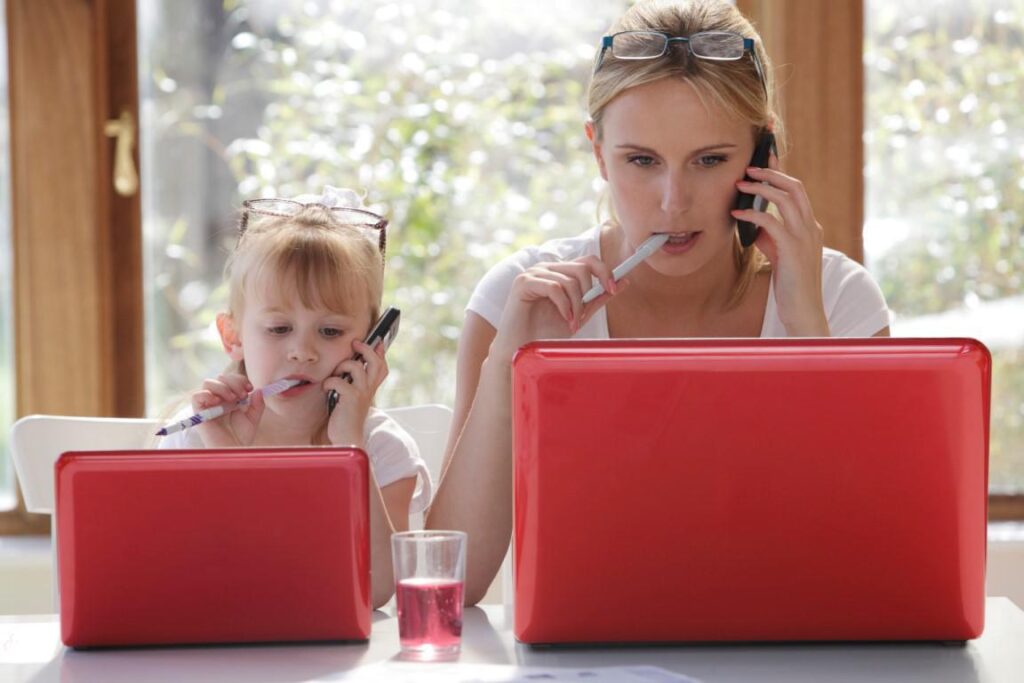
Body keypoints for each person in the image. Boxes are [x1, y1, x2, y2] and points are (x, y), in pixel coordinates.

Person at [425, 0, 891, 605]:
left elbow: (873, 556)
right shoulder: (517, 297)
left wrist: (806, 329)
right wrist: (511, 366)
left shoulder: (839, 299)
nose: (673, 202)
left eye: (710, 160)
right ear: (598, 153)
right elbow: (449, 588)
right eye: (641, 161)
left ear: (761, 156)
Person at [160, 187, 432, 608]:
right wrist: (229, 459)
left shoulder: (380, 449)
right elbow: (197, 583)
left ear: (372, 344)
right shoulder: (194, 437)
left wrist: (349, 447)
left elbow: (377, 590)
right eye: (278, 329)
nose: (302, 351)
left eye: (330, 332)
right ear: (233, 337)